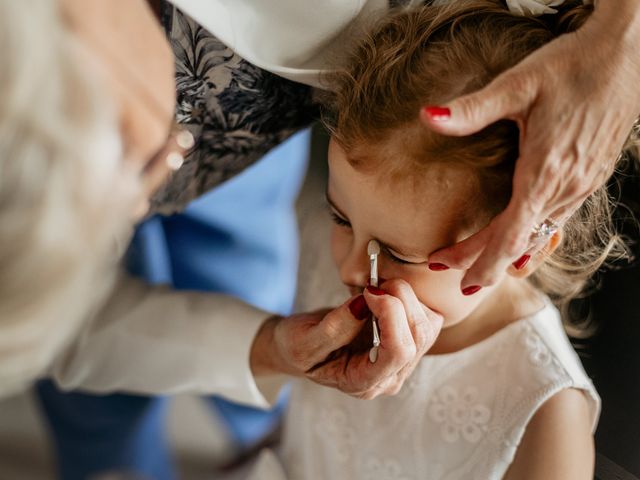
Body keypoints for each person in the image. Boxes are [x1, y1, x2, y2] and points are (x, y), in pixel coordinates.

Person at [240, 1, 640, 478]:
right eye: (340, 217)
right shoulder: (338, 271)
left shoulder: (544, 410)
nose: (349, 268)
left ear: (520, 250)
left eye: (395, 254)